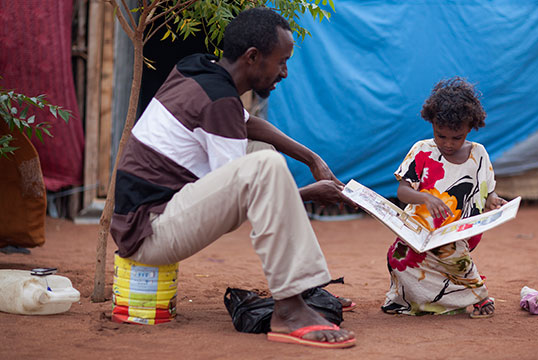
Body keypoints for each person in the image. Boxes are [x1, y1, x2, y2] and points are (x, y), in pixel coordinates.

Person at [110, 7, 356, 348]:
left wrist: (311, 158)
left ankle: (302, 290)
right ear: (253, 57)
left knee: (264, 157)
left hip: (150, 216)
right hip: (149, 234)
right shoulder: (218, 101)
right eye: (281, 61)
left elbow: (247, 123)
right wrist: (311, 192)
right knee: (264, 167)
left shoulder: (197, 67)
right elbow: (245, 195)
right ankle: (290, 309)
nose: (284, 72)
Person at [381, 77, 507, 318]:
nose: (447, 144)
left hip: (459, 231)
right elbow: (403, 191)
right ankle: (407, 300)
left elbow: (488, 191)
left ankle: (479, 296)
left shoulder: (478, 154)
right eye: (441, 136)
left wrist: (493, 200)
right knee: (397, 256)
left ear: (470, 128)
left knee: (451, 253)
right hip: (419, 229)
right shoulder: (421, 151)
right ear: (432, 125)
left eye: (456, 137)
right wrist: (425, 198)